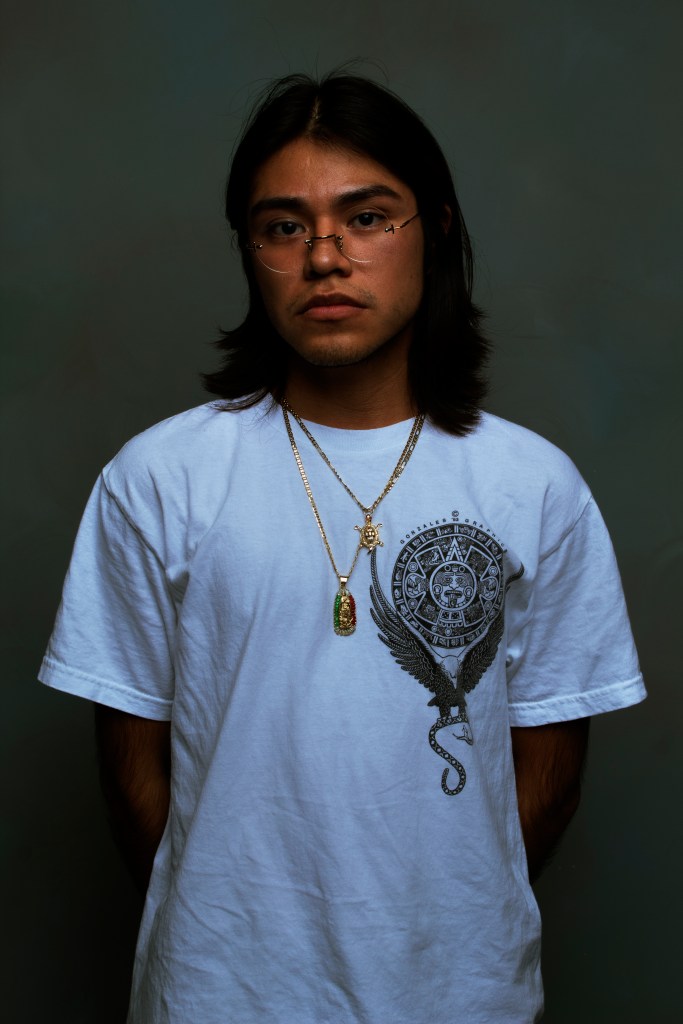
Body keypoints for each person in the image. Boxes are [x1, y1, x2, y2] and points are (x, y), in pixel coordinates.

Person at [39, 72, 646, 1024]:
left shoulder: (532, 486)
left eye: (366, 217)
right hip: (214, 994)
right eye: (283, 226)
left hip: (462, 995)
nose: (324, 255)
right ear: (250, 251)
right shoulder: (160, 476)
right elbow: (133, 765)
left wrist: (444, 914)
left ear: (435, 229)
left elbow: (549, 768)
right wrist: (226, 918)